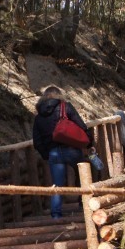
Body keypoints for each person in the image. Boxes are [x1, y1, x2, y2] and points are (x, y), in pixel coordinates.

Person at [32, 86, 93, 219]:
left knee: (57, 185)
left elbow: (37, 141)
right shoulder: (66, 107)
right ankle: (84, 205)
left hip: (53, 153)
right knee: (82, 177)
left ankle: (56, 214)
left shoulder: (39, 117)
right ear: (59, 95)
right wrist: (89, 143)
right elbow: (81, 126)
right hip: (72, 149)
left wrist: (46, 154)